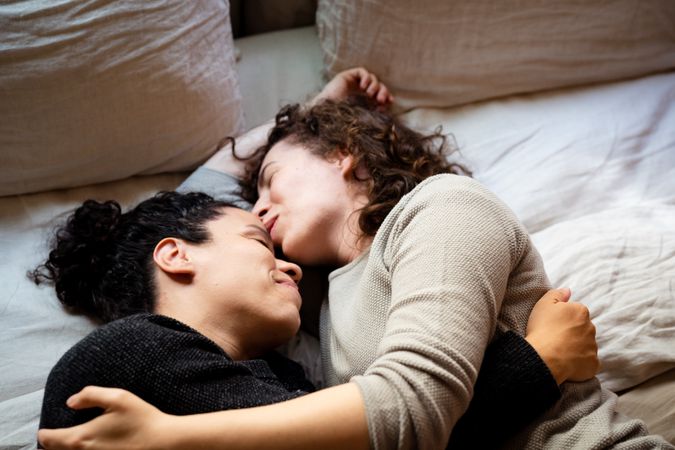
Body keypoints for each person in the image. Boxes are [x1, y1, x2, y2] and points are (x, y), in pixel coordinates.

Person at [37, 69, 654, 450]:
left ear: (342, 154)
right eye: (256, 223)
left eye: (272, 182)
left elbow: (410, 411)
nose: (265, 215)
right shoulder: (315, 327)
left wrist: (319, 117)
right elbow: (183, 220)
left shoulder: (440, 209)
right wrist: (534, 364)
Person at [34, 192, 314, 434]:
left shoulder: (283, 373)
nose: (293, 269)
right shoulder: (130, 349)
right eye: (260, 242)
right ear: (176, 256)